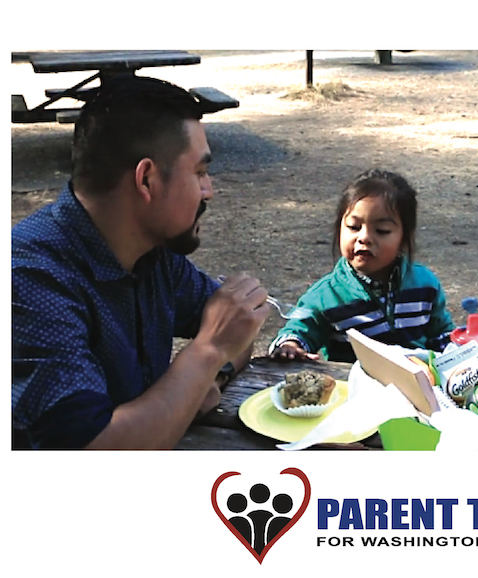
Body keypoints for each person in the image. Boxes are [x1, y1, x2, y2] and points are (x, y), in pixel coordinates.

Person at [12, 75, 273, 449]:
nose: (209, 190)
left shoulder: (155, 253)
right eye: (199, 172)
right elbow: (92, 453)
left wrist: (208, 378)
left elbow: (238, 330)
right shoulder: (30, 279)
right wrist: (206, 353)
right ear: (146, 179)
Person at [269, 169, 454, 362]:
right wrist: (290, 346)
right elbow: (299, 329)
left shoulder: (425, 285)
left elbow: (441, 334)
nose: (364, 238)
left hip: (416, 385)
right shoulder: (327, 296)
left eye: (382, 231)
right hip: (352, 387)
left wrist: (456, 351)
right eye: (353, 227)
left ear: (405, 239)